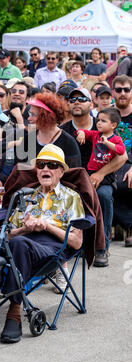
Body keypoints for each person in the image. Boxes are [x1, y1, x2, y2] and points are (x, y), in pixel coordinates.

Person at [0, 145, 85, 343]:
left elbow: (77, 242)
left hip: (53, 246)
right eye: (41, 165)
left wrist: (46, 226)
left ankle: (14, 313)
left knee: (17, 245)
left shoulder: (71, 198)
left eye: (52, 165)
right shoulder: (26, 195)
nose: (45, 169)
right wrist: (24, 229)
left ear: (61, 171)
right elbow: (8, 234)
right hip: (21, 242)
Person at [61, 87, 127, 266]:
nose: (76, 102)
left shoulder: (102, 126)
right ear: (68, 103)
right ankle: (67, 245)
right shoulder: (63, 130)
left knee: (104, 196)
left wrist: (100, 174)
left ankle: (101, 248)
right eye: (72, 99)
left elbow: (122, 156)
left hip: (100, 178)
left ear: (91, 104)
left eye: (81, 99)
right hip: (71, 179)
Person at [111, 75, 132, 246]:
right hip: (111, 163)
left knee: (126, 183)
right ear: (113, 92)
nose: (122, 93)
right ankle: (123, 224)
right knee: (108, 184)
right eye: (118, 90)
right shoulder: (106, 115)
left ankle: (123, 225)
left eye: (126, 89)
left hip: (130, 163)